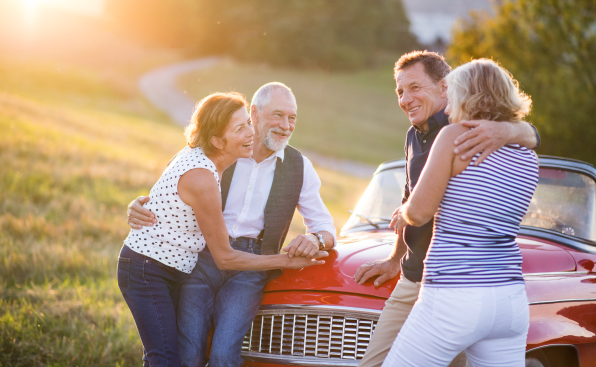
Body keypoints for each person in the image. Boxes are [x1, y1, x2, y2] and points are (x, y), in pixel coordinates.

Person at [127, 82, 337, 367]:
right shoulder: (221, 147)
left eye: (292, 118)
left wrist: (316, 240)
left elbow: (325, 225)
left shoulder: (299, 167)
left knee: (225, 354)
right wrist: (138, 205)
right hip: (203, 257)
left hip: (251, 267)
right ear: (255, 113)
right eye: (278, 115)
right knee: (187, 353)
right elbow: (173, 188)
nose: (286, 126)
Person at [354, 51, 540, 367]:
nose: (405, 98)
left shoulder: (453, 134)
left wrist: (408, 211)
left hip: (455, 288)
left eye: (452, 90)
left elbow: (419, 210)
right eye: (400, 91)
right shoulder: (526, 154)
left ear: (458, 91)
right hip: (508, 296)